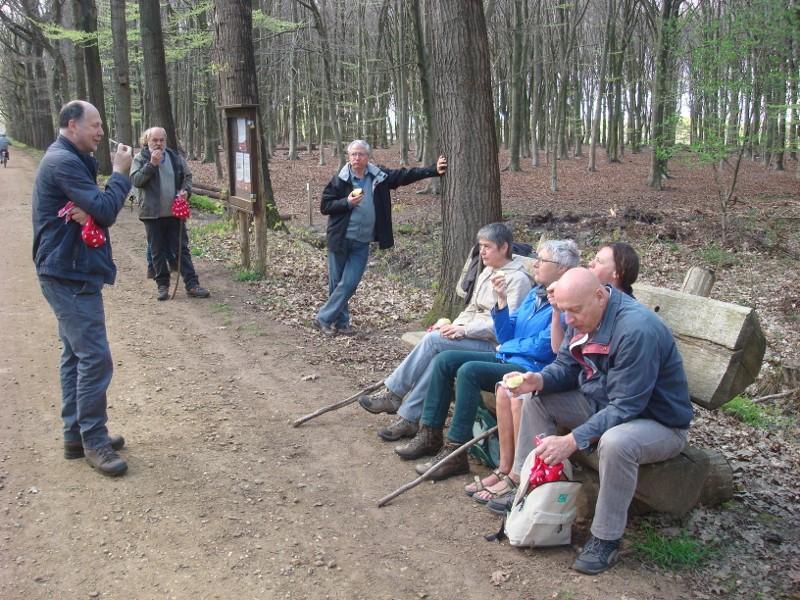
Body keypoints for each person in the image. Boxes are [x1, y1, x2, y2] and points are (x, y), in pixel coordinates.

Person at [503, 267, 692, 575]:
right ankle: (527, 489)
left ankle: (605, 538)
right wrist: (536, 380)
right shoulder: (579, 315)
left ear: (600, 296)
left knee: (616, 443)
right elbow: (565, 366)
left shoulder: (635, 330)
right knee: (537, 401)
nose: (568, 320)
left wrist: (572, 440)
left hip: (658, 422)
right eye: (563, 311)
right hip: (602, 403)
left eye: (574, 311)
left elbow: (628, 406)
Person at [393, 240, 580, 482]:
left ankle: (455, 452)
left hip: (533, 369)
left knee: (469, 371)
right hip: (509, 356)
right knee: (445, 360)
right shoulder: (536, 293)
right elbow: (506, 334)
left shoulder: (564, 302)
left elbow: (545, 348)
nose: (535, 263)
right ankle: (430, 433)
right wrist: (501, 301)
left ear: (562, 269)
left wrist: (507, 346)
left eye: (542, 261)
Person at [478, 243, 642, 503]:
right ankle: (520, 477)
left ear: (617, 274)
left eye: (597, 261)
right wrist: (539, 380)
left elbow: (623, 402)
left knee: (480, 376)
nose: (589, 264)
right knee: (523, 395)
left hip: (613, 409)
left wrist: (573, 439)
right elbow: (564, 358)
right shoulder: (579, 307)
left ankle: (528, 481)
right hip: (587, 393)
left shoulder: (629, 325)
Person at [357, 222, 534, 442]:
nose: (482, 252)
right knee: (440, 355)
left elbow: (506, 326)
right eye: (481, 246)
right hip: (471, 335)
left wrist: (463, 329)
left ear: (504, 247)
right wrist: (452, 326)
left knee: (433, 341)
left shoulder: (518, 280)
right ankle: (409, 419)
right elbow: (471, 308)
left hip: (493, 344)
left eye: (487, 247)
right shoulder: (488, 270)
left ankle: (394, 394)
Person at [32, 100, 133, 476]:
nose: (101, 132)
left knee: (75, 356)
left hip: (71, 269)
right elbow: (107, 210)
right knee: (94, 357)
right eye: (95, 125)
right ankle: (94, 440)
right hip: (67, 273)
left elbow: (98, 208)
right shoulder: (62, 162)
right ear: (72, 125)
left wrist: (94, 205)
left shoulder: (72, 160)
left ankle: (76, 436)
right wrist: (121, 173)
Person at [314, 140, 447, 335]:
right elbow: (325, 206)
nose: (356, 158)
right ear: (348, 156)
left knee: (349, 283)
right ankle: (340, 324)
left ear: (368, 157)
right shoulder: (340, 180)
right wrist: (347, 202)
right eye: (353, 154)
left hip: (362, 242)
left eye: (360, 154)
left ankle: (323, 318)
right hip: (340, 239)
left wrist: (432, 170)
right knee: (338, 284)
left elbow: (405, 175)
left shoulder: (379, 176)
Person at [131, 127, 210, 301]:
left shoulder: (175, 157)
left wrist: (185, 191)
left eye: (162, 140)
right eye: (155, 140)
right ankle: (162, 286)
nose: (159, 144)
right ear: (147, 141)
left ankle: (192, 284)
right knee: (157, 250)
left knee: (181, 248)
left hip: (175, 212)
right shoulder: (140, 158)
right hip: (152, 214)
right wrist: (152, 165)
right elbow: (136, 181)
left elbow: (187, 177)